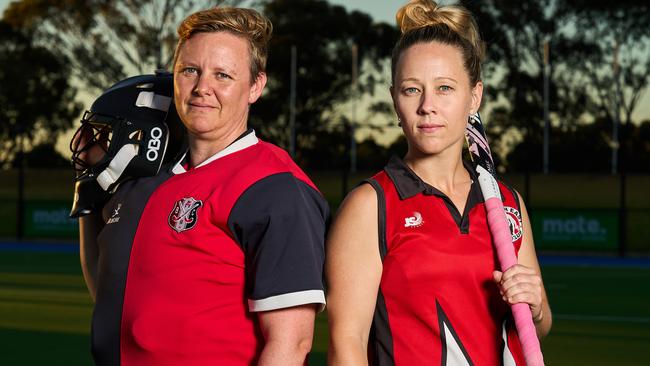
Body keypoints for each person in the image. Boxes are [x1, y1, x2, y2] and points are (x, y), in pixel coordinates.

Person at [73, 6, 328, 366]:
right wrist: (90, 196)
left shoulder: (275, 188)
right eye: (189, 70)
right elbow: (109, 290)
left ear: (256, 86)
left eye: (222, 75)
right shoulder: (147, 178)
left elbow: (290, 344)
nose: (202, 88)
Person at [325, 1, 552, 365]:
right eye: (412, 89)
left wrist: (537, 306)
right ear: (395, 100)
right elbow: (346, 344)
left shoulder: (508, 202)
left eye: (445, 88)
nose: (427, 105)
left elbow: (534, 328)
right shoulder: (371, 205)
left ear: (474, 96)